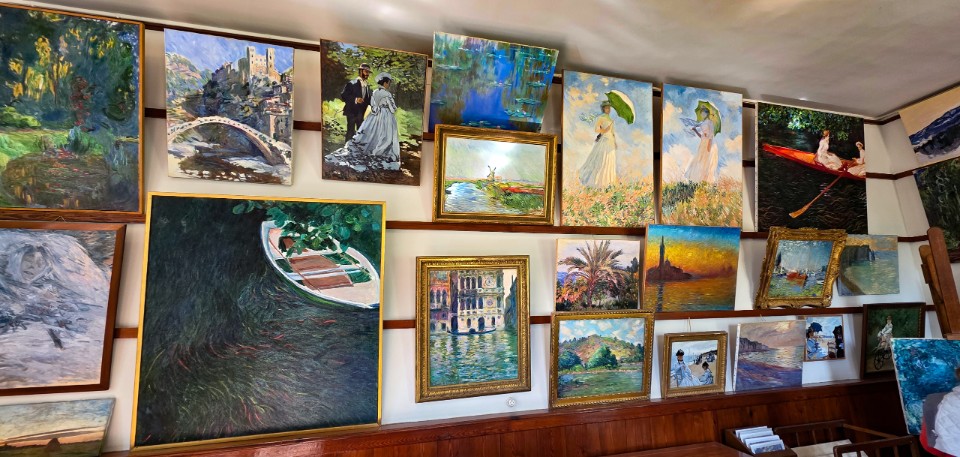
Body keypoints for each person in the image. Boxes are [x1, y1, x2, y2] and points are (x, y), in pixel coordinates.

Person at [331, 72, 401, 171]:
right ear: (385, 83)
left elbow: (373, 107)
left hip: (374, 116)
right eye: (388, 83)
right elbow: (393, 109)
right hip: (385, 116)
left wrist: (377, 110)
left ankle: (370, 148)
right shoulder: (387, 94)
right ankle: (381, 151)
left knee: (373, 132)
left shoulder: (375, 92)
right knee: (385, 134)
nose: (389, 85)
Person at [578, 100, 617, 188]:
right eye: (606, 108)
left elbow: (612, 132)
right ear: (603, 109)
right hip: (604, 140)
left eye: (609, 108)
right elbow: (596, 129)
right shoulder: (601, 118)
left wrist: (614, 142)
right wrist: (604, 130)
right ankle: (599, 183)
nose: (608, 109)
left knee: (609, 160)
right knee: (602, 160)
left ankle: (608, 183)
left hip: (610, 141)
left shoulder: (611, 120)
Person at [684, 104, 719, 183]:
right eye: (701, 113)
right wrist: (695, 130)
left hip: (708, 143)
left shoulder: (710, 122)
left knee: (706, 161)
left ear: (707, 114)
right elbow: (702, 136)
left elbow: (711, 135)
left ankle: (706, 180)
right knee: (700, 161)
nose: (702, 115)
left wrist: (709, 145)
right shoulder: (702, 123)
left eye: (703, 113)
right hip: (702, 143)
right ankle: (700, 180)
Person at [340, 63, 372, 142]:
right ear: (361, 71)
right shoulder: (352, 83)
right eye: (366, 72)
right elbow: (344, 95)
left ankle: (357, 147)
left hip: (361, 113)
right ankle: (347, 146)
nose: (367, 74)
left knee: (360, 131)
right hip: (351, 112)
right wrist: (356, 99)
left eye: (368, 72)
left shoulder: (367, 85)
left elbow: (368, 99)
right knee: (350, 131)